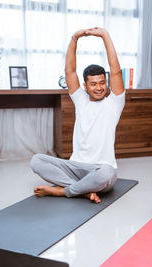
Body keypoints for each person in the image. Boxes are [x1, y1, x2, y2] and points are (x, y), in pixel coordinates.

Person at [30, 27, 125, 204]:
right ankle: (82, 191)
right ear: (85, 86)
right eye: (94, 84)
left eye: (102, 83)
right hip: (75, 166)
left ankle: (62, 191)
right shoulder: (80, 100)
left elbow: (116, 71)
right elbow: (70, 72)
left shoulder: (114, 103)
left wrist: (105, 35)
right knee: (36, 161)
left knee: (107, 173)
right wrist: (74, 39)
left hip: (101, 169)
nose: (99, 87)